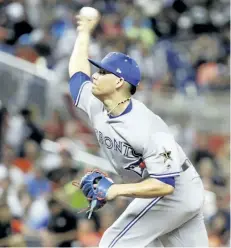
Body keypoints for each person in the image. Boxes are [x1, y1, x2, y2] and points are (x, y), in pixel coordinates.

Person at [68, 10, 208, 247]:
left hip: (174, 190)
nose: (95, 76)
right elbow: (77, 75)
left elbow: (165, 184)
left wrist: (115, 190)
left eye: (102, 72)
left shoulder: (147, 126)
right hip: (169, 191)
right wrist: (83, 32)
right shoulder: (95, 105)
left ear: (119, 82)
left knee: (113, 243)